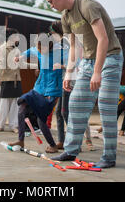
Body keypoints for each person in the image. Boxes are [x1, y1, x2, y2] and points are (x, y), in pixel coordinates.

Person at [45, 0, 124, 169]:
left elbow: (103, 39)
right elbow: (74, 46)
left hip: (110, 58)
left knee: (106, 106)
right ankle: (71, 150)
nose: (51, 5)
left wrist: (98, 72)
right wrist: (69, 73)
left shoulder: (87, 5)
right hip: (87, 61)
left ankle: (109, 157)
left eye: (50, 1)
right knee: (75, 103)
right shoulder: (65, 17)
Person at [9, 32, 64, 153]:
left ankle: (53, 145)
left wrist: (62, 66)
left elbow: (74, 63)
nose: (39, 50)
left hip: (53, 90)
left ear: (49, 45)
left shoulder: (59, 53)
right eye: (38, 47)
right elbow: (30, 51)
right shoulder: (37, 50)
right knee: (22, 107)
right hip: (38, 88)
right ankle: (21, 140)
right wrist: (20, 57)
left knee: (41, 118)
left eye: (42, 47)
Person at [49, 21, 94, 151]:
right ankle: (62, 141)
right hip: (66, 79)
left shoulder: (70, 42)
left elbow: (77, 62)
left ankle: (75, 142)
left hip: (73, 80)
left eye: (52, 33)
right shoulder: (63, 43)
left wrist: (62, 66)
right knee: (60, 112)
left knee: (67, 112)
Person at [0, 28, 22, 133]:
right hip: (4, 79)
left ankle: (14, 125)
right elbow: (0, 64)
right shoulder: (2, 48)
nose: (18, 38)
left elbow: (20, 65)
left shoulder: (17, 50)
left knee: (15, 103)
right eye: (16, 36)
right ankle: (0, 125)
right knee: (3, 104)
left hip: (16, 79)